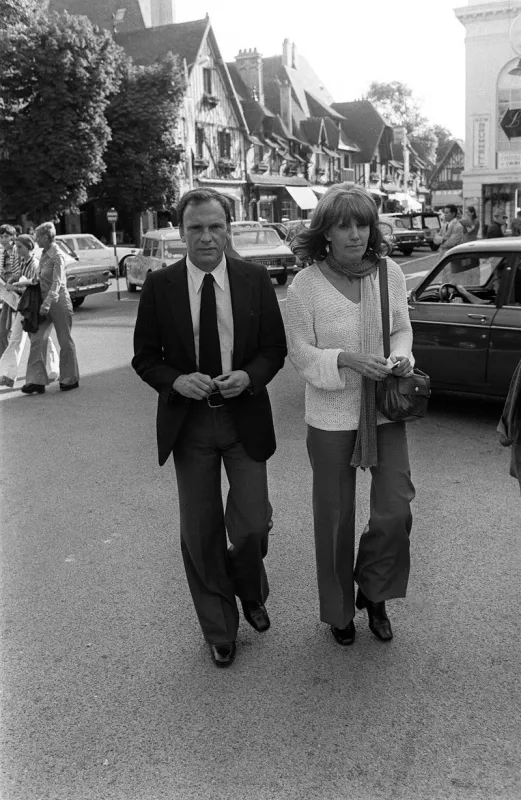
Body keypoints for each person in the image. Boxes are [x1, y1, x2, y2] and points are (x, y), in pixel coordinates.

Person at [132, 188, 287, 668]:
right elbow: (144, 358)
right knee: (200, 532)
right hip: (191, 425)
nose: (205, 237)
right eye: (195, 227)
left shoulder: (254, 278)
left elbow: (273, 350)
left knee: (252, 524)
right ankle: (220, 629)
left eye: (214, 226)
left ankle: (250, 587)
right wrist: (177, 379)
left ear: (228, 228)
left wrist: (250, 376)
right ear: (181, 232)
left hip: (244, 420)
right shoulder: (160, 287)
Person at [286, 184, 415, 647]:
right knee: (336, 517)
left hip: (383, 411)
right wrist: (346, 359)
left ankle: (374, 591)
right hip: (330, 415)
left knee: (395, 509)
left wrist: (402, 358)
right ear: (326, 232)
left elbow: (401, 328)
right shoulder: (306, 284)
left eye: (362, 224)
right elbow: (300, 353)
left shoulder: (390, 273)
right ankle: (340, 611)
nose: (356, 234)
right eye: (344, 225)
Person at [22, 222, 79, 395]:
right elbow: (43, 279)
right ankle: (36, 381)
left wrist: (47, 303)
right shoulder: (44, 254)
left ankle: (70, 378)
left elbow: (58, 282)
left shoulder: (57, 256)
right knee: (37, 338)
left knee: (64, 340)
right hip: (44, 302)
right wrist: (27, 282)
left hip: (58, 302)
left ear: (46, 237)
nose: (35, 239)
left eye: (37, 236)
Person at [0, 235, 58, 387]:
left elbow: (35, 284)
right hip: (24, 305)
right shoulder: (23, 261)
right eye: (17, 247)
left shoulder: (35, 263)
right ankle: (7, 374)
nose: (17, 250)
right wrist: (14, 278)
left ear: (29, 247)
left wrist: (17, 286)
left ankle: (53, 370)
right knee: (16, 338)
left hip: (32, 306)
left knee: (40, 338)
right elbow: (20, 275)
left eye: (20, 247)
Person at [0, 224, 21, 357]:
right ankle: (5, 365)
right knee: (3, 331)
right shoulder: (2, 254)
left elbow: (22, 274)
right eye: (1, 237)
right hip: (8, 297)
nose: (3, 239)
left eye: (6, 236)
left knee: (35, 334)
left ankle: (51, 367)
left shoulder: (17, 251)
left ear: (13, 237)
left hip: (21, 295)